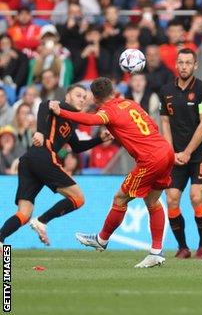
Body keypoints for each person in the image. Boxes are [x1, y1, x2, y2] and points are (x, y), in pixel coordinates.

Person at [50, 78, 175, 268]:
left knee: (120, 198)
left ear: (95, 97)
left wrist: (61, 112)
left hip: (150, 158)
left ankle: (102, 239)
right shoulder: (130, 103)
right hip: (165, 151)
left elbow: (90, 120)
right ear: (113, 90)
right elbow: (153, 126)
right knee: (152, 201)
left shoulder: (107, 111)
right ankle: (156, 251)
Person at [0, 85, 108, 247]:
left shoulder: (71, 120)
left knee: (24, 213)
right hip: (43, 155)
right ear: (67, 97)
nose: (82, 99)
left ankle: (1, 238)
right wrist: (40, 132)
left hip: (30, 160)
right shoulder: (60, 106)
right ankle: (42, 221)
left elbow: (77, 147)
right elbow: (45, 104)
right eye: (78, 95)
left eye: (84, 98)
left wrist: (100, 139)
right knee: (78, 198)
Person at [158, 49, 202, 260]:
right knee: (171, 199)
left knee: (196, 197)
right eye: (180, 62)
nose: (184, 66)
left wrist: (188, 152)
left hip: (199, 153)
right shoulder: (165, 90)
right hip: (175, 154)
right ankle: (182, 247)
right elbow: (164, 122)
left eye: (188, 63)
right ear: (176, 64)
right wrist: (172, 152)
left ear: (195, 66)